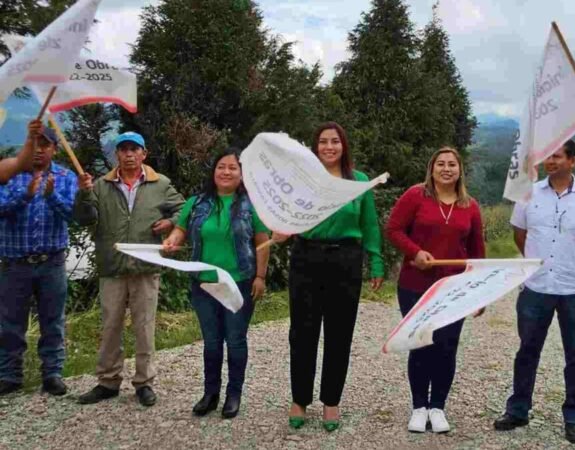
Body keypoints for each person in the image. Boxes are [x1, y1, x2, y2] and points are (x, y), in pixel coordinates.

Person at [493, 140, 575, 444]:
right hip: (536, 287)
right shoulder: (528, 195)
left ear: (573, 160)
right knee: (527, 350)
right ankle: (518, 409)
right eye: (547, 156)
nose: (550, 161)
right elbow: (520, 236)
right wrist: (538, 264)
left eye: (557, 156)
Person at [274, 122, 384, 431]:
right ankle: (299, 399)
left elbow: (370, 225)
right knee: (302, 332)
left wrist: (375, 261)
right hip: (306, 257)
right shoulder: (302, 179)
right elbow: (285, 213)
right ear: (315, 147)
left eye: (335, 141)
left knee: (339, 334)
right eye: (323, 141)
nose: (329, 147)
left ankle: (332, 402)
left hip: (345, 260)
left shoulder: (359, 181)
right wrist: (279, 228)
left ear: (343, 146)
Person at [74, 132, 185, 407]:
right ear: (117, 155)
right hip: (112, 267)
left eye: (134, 149)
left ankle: (144, 383)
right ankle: (108, 382)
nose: (129, 154)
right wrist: (84, 193)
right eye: (123, 149)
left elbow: (185, 209)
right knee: (110, 326)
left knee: (144, 327)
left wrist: (170, 223)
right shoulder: (100, 185)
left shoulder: (161, 184)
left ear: (144, 154)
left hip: (146, 267)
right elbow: (85, 218)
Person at [162, 148, 270, 419]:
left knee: (235, 341)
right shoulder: (197, 202)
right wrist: (173, 240)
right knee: (211, 342)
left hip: (239, 283)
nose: (226, 172)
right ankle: (210, 393)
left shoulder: (252, 204)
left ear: (242, 174)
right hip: (204, 285)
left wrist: (260, 276)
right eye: (221, 166)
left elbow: (261, 241)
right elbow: (181, 229)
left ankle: (234, 394)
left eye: (233, 167)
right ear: (213, 171)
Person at [385, 146, 486, 434]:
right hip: (415, 285)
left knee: (446, 347)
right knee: (420, 344)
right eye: (440, 164)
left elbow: (478, 252)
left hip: (454, 289)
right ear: (431, 169)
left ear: (459, 170)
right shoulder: (415, 196)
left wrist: (479, 294)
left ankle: (438, 407)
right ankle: (419, 407)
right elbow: (393, 229)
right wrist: (415, 252)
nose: (446, 168)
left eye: (451, 164)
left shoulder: (470, 206)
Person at [0, 120, 77, 396]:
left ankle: (52, 374)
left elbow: (72, 214)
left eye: (45, 145)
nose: (38, 150)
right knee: (9, 323)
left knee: (52, 321)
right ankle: (10, 375)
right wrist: (26, 195)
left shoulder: (66, 177)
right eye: (34, 143)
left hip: (52, 262)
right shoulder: (9, 175)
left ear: (55, 149)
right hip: (14, 264)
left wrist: (50, 196)